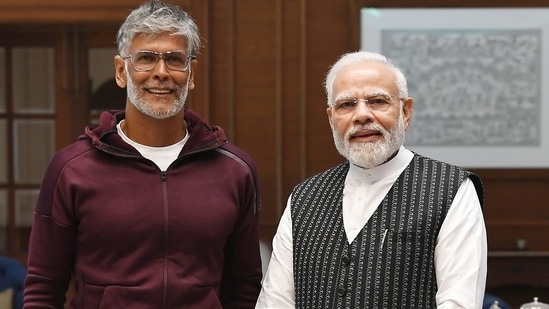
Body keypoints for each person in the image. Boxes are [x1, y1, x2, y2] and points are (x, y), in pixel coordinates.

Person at [23, 1, 262, 308]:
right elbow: (44, 288)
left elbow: (244, 289)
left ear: (191, 73)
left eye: (174, 59)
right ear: (122, 71)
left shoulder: (235, 171)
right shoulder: (71, 169)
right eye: (146, 58)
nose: (161, 73)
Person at [256, 50, 487, 308]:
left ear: (406, 112)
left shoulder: (451, 189)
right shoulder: (304, 198)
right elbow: (275, 301)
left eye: (377, 101)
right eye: (347, 105)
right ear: (331, 119)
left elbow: (459, 302)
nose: (362, 115)